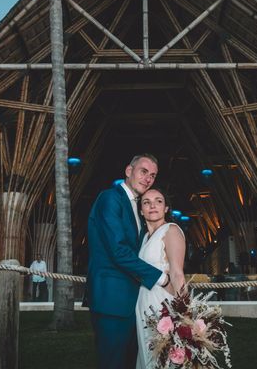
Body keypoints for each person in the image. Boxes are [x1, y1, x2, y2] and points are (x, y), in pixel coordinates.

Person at [86, 154, 170, 369]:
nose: (148, 178)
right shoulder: (110, 198)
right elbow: (118, 250)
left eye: (152, 175)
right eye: (143, 171)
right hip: (112, 300)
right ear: (128, 170)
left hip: (131, 301)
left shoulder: (136, 206)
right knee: (113, 362)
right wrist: (160, 278)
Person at [135, 188, 186, 369]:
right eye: (146, 202)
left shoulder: (170, 230)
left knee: (164, 359)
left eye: (158, 201)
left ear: (166, 208)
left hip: (162, 305)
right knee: (149, 357)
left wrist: (183, 315)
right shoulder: (144, 237)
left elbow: (177, 273)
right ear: (141, 210)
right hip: (144, 305)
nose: (152, 206)